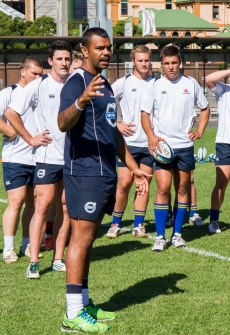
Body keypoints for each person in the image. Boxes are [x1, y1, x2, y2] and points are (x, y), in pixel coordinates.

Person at [58, 27, 150, 334]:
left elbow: (112, 132)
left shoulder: (105, 84)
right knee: (80, 239)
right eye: (100, 48)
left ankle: (83, 303)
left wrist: (134, 167)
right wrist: (81, 100)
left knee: (89, 240)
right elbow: (62, 122)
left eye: (109, 47)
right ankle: (72, 314)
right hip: (84, 172)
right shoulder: (77, 82)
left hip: (104, 173)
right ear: (85, 51)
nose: (106, 52)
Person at [4, 40, 72, 277]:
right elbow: (10, 113)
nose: (64, 63)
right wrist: (30, 138)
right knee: (42, 206)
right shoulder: (39, 85)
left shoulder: (76, 84)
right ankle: (33, 261)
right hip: (46, 157)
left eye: (67, 58)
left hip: (72, 158)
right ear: (50, 62)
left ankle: (58, 258)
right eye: (60, 59)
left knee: (64, 207)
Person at [141, 45, 210, 252]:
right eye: (166, 63)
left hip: (185, 147)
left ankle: (177, 234)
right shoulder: (154, 85)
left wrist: (199, 131)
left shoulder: (191, 83)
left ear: (180, 63)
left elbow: (205, 107)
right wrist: (151, 136)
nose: (171, 67)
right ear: (161, 65)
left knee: (182, 188)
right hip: (163, 147)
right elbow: (145, 114)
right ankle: (161, 236)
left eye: (174, 63)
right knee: (163, 187)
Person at [106, 45, 154, 239]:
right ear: (133, 62)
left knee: (143, 184)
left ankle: (139, 224)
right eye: (140, 60)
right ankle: (115, 223)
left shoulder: (157, 83)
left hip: (150, 144)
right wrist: (117, 124)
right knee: (124, 184)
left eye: (147, 60)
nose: (144, 64)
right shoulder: (123, 82)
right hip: (127, 143)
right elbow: (104, 103)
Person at [0, 57, 43, 263]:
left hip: (39, 158)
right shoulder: (8, 93)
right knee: (15, 202)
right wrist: (10, 131)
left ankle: (27, 244)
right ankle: (8, 249)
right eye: (34, 73)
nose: (38, 77)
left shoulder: (41, 92)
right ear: (23, 71)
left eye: (40, 74)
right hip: (15, 157)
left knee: (33, 204)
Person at [205, 68, 230, 233]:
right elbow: (208, 79)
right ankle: (213, 220)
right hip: (225, 143)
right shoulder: (224, 90)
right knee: (222, 182)